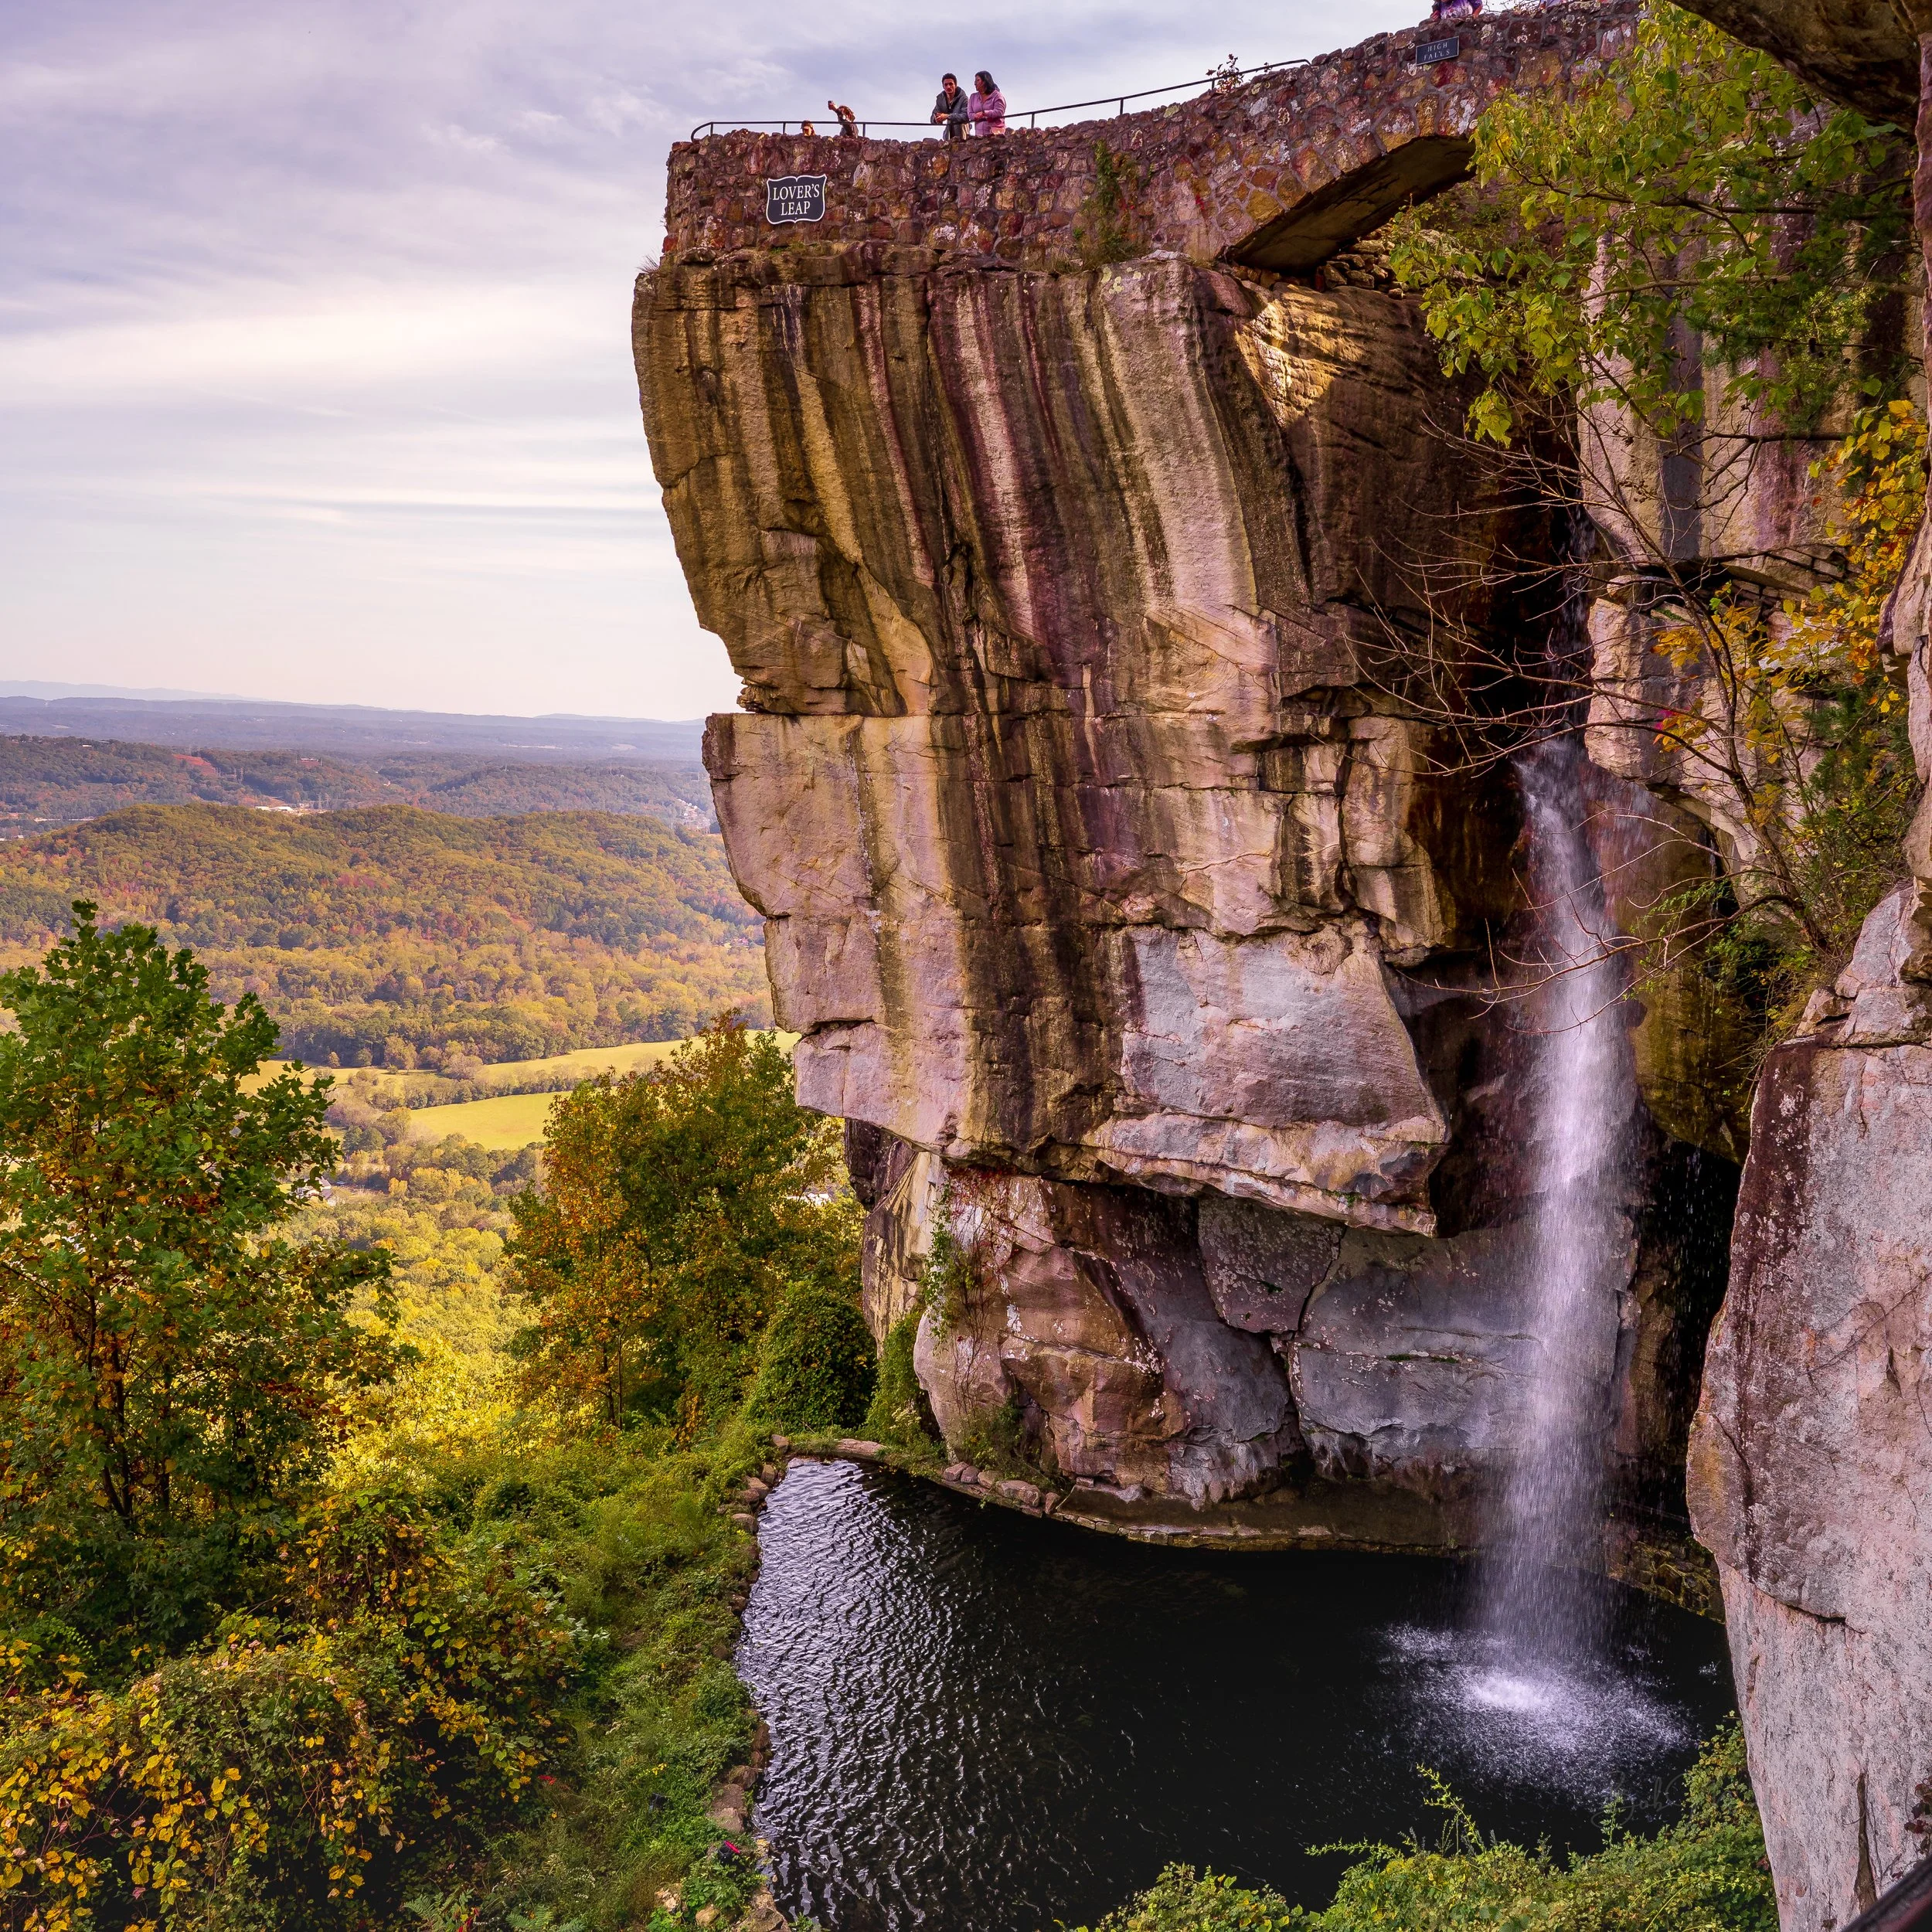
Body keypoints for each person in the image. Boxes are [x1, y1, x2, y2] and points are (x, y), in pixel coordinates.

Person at [968, 70, 1007, 136]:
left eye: (978, 80)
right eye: (975, 81)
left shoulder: (997, 95)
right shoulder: (973, 97)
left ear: (985, 81)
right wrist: (975, 116)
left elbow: (999, 111)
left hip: (996, 134)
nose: (975, 83)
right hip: (979, 136)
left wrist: (984, 113)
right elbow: (970, 113)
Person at [931, 73, 968, 141]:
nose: (948, 87)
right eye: (946, 85)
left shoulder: (964, 99)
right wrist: (936, 119)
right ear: (943, 86)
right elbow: (933, 116)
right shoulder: (941, 99)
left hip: (963, 135)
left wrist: (947, 116)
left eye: (951, 84)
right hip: (948, 137)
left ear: (955, 85)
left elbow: (966, 116)